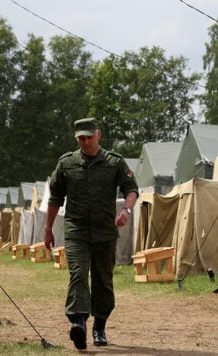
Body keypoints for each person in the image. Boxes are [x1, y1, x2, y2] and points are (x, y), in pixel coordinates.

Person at [44, 117, 138, 350]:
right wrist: (48, 228)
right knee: (77, 275)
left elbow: (132, 189)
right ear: (76, 138)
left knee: (103, 282)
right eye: (81, 138)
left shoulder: (114, 162)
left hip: (106, 233)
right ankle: (79, 323)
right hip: (76, 231)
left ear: (99, 134)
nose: (85, 142)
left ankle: (99, 327)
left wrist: (126, 209)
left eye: (89, 137)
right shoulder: (66, 163)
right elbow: (55, 197)